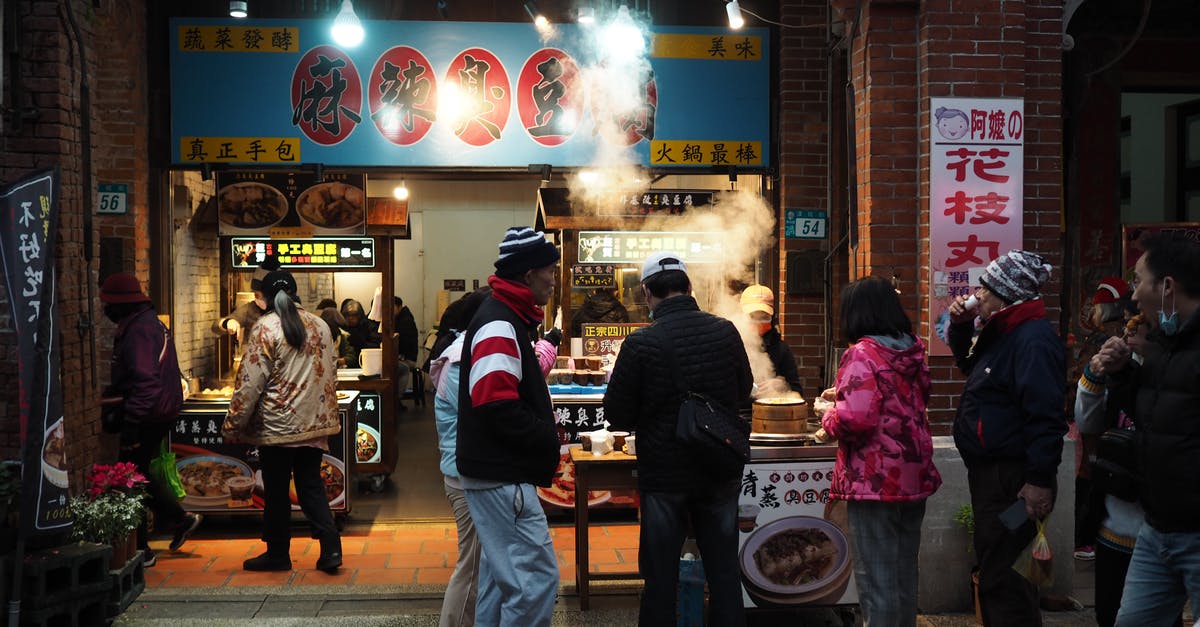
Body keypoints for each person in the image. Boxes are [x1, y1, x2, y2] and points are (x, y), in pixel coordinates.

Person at [604, 251, 753, 627]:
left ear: (646, 292)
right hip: (718, 467)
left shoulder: (641, 344)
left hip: (664, 475)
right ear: (689, 287)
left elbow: (616, 415)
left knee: (660, 578)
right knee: (723, 574)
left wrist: (652, 414)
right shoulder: (724, 331)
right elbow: (743, 388)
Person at [946, 250, 1067, 627]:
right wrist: (963, 326)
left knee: (1003, 572)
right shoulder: (1004, 330)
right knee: (999, 564)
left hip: (1014, 483)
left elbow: (1046, 417)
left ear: (1005, 292)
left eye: (986, 288)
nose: (978, 294)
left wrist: (1038, 481)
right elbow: (967, 362)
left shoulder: (1031, 340)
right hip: (994, 478)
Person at [1088, 233, 1200, 626]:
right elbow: (1149, 419)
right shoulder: (1162, 346)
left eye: (1138, 281)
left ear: (1167, 286)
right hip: (1156, 530)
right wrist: (1120, 376)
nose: (1133, 297)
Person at [817, 275, 942, 626]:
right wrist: (842, 390)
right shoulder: (911, 347)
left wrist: (829, 416)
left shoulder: (862, 352)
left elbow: (855, 419)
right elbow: (910, 398)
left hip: (874, 481)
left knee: (877, 581)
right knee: (903, 575)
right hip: (913, 474)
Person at [455, 227, 562, 626]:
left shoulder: (507, 317)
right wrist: (543, 435)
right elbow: (495, 405)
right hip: (503, 479)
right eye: (550, 270)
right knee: (533, 581)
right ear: (528, 273)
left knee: (501, 583)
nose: (554, 278)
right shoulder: (500, 323)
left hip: (494, 474)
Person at [222, 270, 343, 574]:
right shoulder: (321, 325)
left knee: (276, 491)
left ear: (264, 297)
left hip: (277, 428)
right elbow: (332, 374)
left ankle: (278, 554)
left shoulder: (265, 327)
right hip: (314, 423)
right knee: (310, 485)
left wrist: (233, 425)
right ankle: (331, 549)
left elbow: (249, 383)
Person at [1076, 314, 1181, 627]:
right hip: (1114, 529)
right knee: (1109, 614)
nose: (1130, 334)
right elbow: (1089, 422)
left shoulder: (1175, 384)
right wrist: (1095, 374)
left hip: (1163, 532)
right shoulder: (1123, 377)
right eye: (1129, 329)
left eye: (1141, 329)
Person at [100, 273, 202, 566]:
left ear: (122, 304)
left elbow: (146, 383)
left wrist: (132, 422)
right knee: (139, 472)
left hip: (149, 413)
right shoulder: (144, 323)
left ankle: (141, 547)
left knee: (132, 478)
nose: (106, 309)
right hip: (157, 410)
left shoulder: (140, 330)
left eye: (108, 304)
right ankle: (178, 519)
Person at [429, 287, 491, 627]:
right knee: (472, 566)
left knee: (480, 564)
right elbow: (484, 416)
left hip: (470, 473)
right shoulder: (460, 360)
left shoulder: (469, 353)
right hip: (467, 477)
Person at [1072, 277, 1131, 562]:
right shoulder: (1124, 333)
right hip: (1111, 422)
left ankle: (1085, 537)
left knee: (1089, 475)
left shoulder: (1101, 339)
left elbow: (1080, 375)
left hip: (1098, 419)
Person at [740, 284, 804, 396]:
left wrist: (783, 386)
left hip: (772, 410)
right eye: (753, 317)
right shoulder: (732, 345)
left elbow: (797, 391)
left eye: (764, 317)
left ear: (772, 317)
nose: (758, 322)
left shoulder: (781, 349)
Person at [212, 256, 280, 339]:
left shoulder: (288, 312)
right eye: (254, 295)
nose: (256, 299)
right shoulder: (251, 308)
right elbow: (215, 326)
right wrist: (227, 323)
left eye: (257, 295)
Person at [393, 296, 420, 408]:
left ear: (399, 307)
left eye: (392, 307)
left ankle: (395, 400)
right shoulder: (401, 318)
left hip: (408, 358)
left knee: (400, 368)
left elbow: (405, 345)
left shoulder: (405, 321)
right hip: (403, 356)